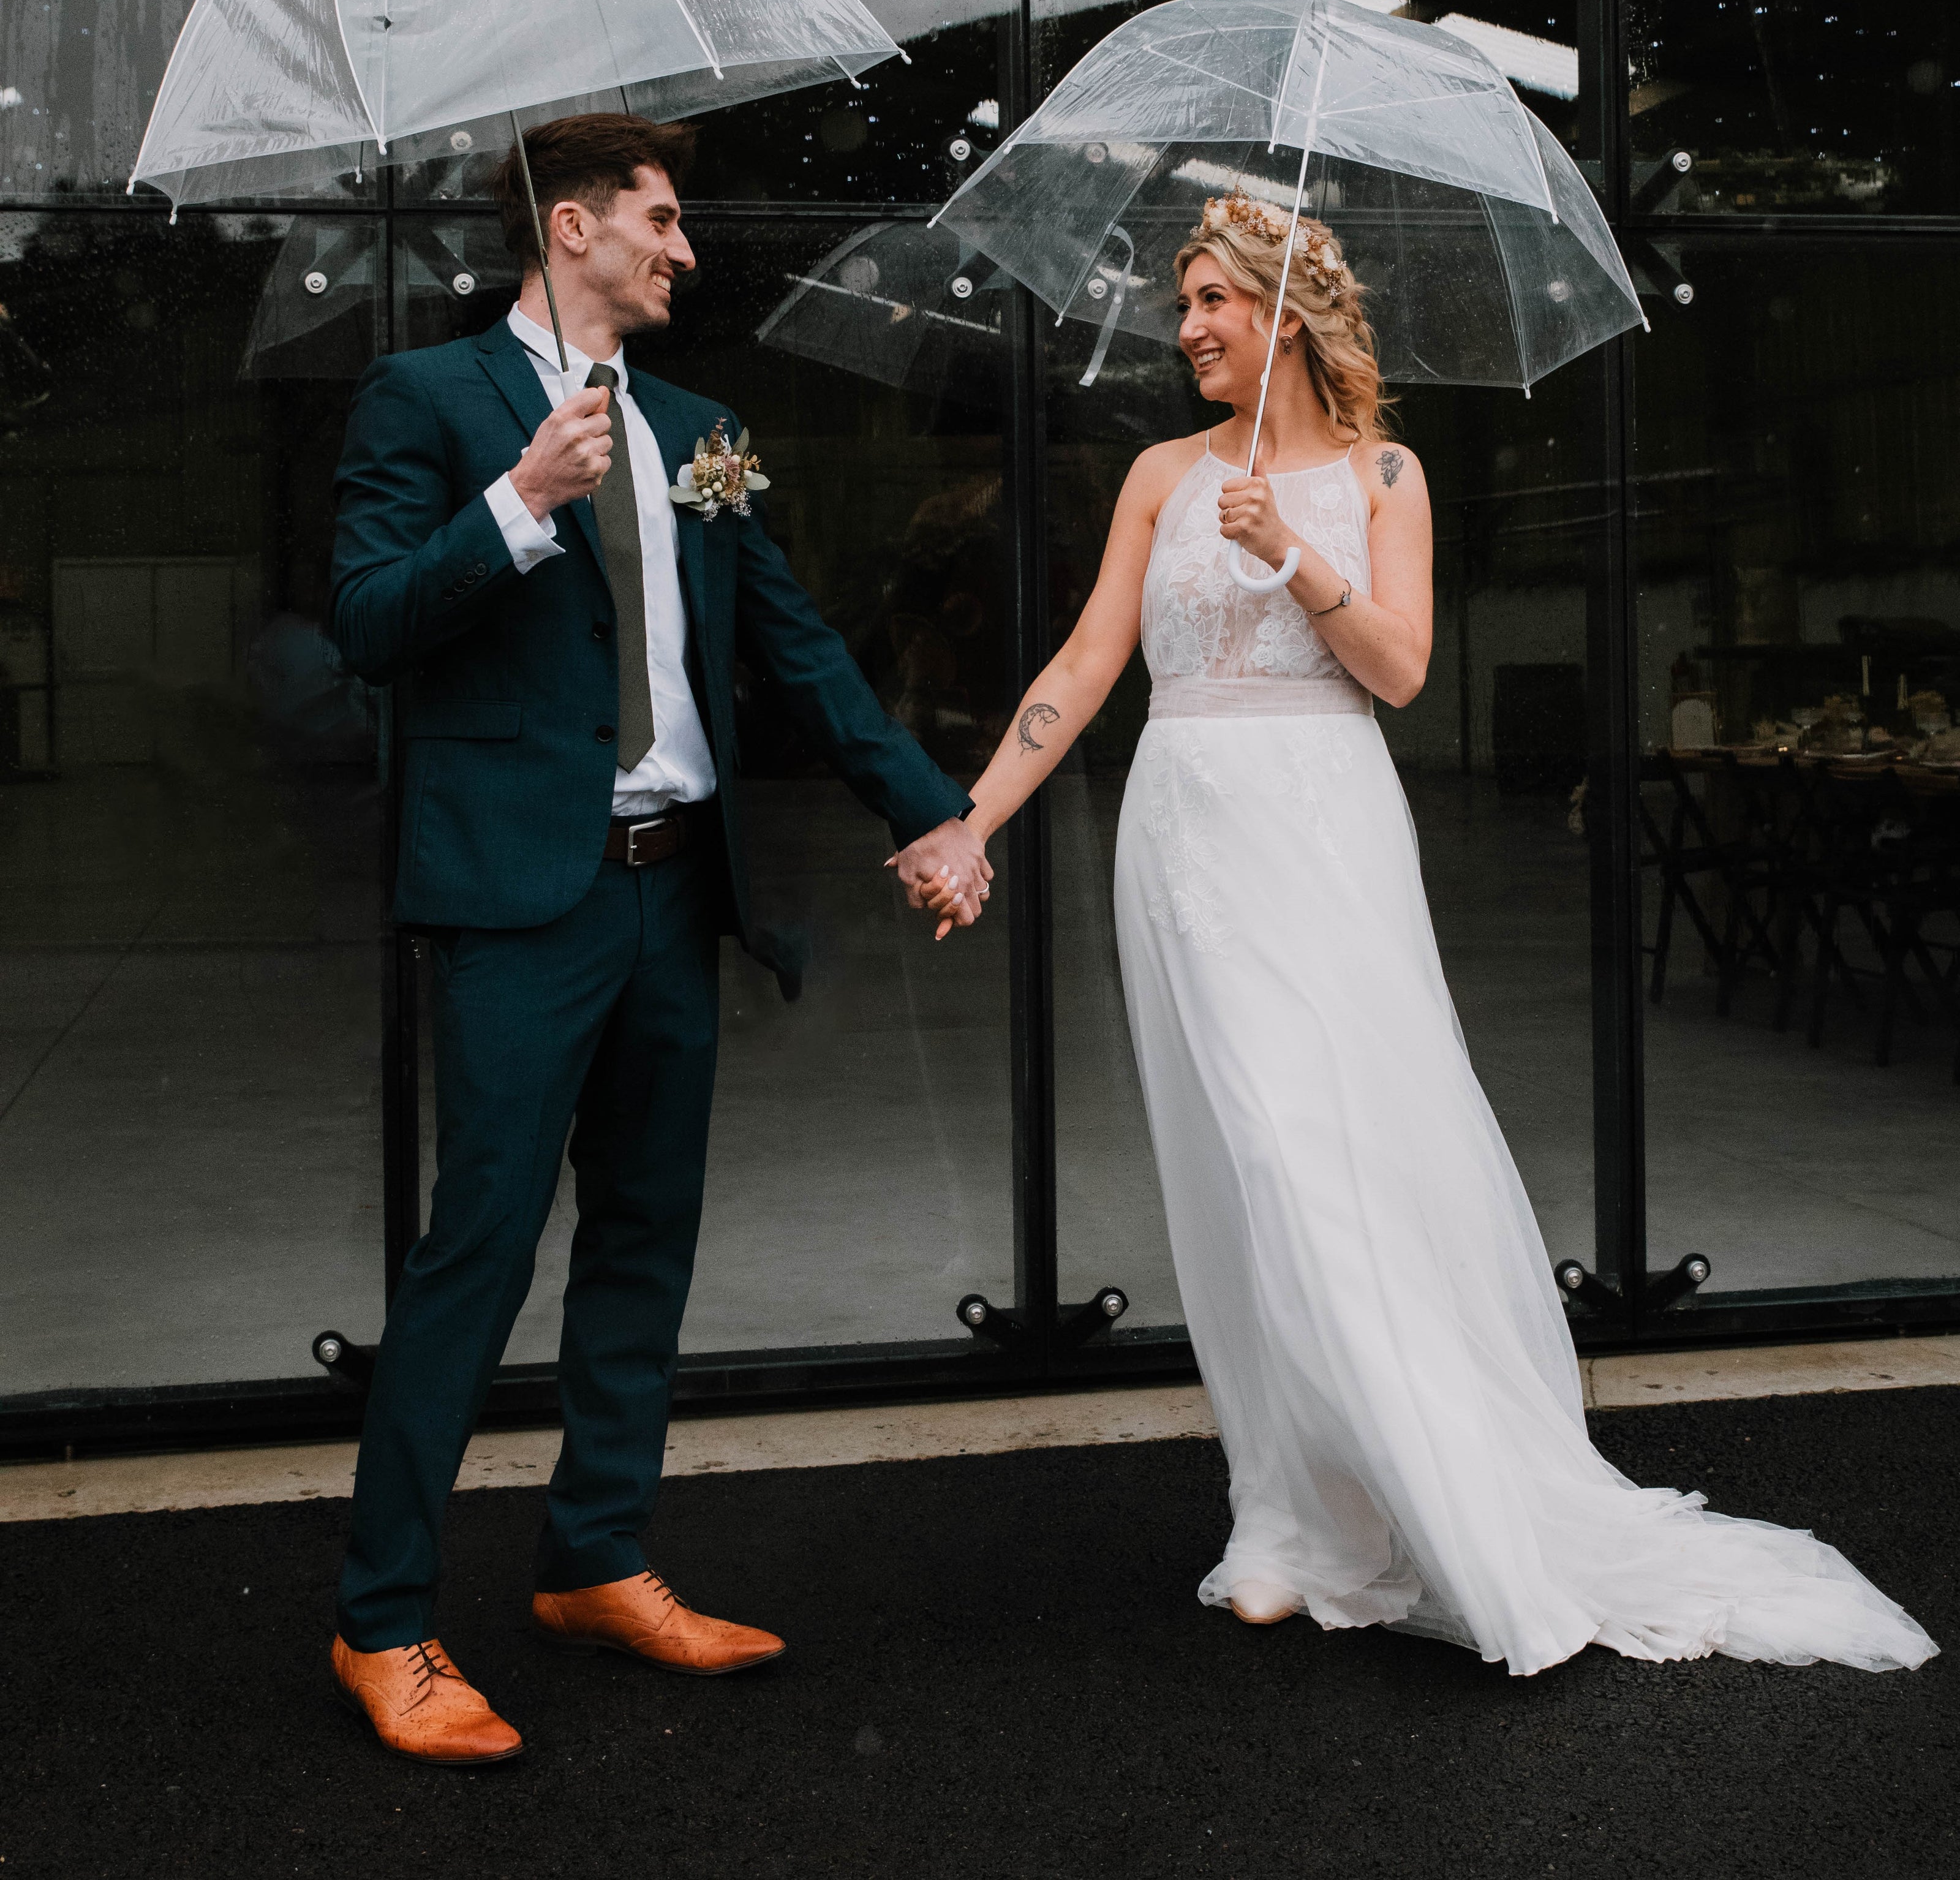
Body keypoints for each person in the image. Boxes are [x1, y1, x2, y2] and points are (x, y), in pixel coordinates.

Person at [939, 190, 1937, 1676]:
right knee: (1231, 1171)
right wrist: (973, 818)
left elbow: (1401, 667)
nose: (1187, 325)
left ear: (1283, 310)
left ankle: (1413, 1496)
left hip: (1321, 830)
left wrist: (1292, 545)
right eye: (1181, 302)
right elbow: (1087, 661)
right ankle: (1281, 1513)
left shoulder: (1384, 472)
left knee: (1316, 1152)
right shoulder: (1156, 473)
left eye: (1211, 298)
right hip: (1182, 834)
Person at [325, 113, 990, 1761]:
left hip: (674, 893)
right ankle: (383, 1621)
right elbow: (368, 624)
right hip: (514, 903)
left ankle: (598, 1557)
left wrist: (932, 810)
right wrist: (515, 505)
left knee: (645, 1238)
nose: (686, 248)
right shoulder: (423, 402)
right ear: (572, 228)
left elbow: (800, 646)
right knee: (475, 1254)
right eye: (662, 219)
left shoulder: (707, 428)